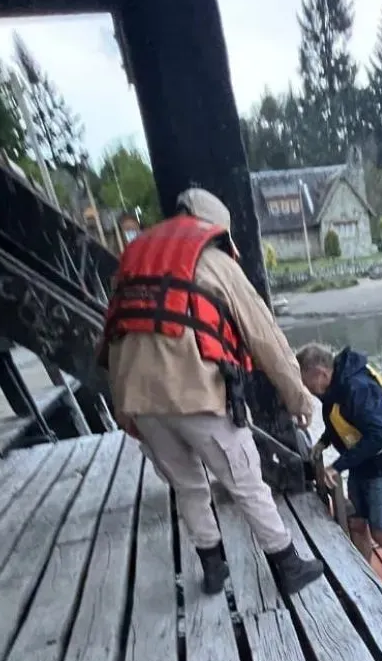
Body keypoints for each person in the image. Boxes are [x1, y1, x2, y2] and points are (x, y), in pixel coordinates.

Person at [98, 187, 324, 597]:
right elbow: (264, 336)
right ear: (215, 227)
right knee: (246, 479)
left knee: (187, 485)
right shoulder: (216, 261)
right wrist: (299, 397)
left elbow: (116, 332)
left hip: (141, 400)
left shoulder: (134, 261)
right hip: (196, 394)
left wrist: (123, 407)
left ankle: (213, 567)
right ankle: (287, 564)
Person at [295, 343, 382, 602]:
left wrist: (337, 466)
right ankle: (364, 577)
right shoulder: (334, 388)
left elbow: (379, 435)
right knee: (357, 522)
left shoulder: (358, 388)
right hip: (362, 463)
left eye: (306, 381)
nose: (306, 389)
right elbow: (340, 421)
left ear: (320, 372)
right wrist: (324, 441)